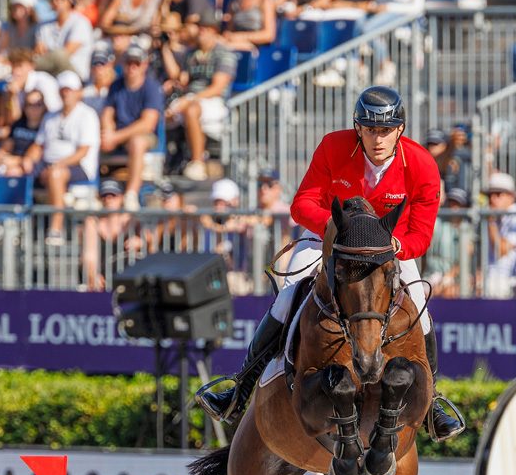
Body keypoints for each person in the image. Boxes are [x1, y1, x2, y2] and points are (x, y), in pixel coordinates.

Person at [196, 86, 465, 441]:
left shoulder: (421, 164)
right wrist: (339, 231)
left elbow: (421, 235)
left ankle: (432, 403)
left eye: (385, 130)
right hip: (331, 240)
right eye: (370, 130)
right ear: (358, 128)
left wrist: (389, 245)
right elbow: (302, 204)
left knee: (421, 311)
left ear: (400, 129)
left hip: (387, 252)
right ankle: (241, 386)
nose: (377, 138)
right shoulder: (333, 147)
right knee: (287, 294)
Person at [28, 70, 101, 244]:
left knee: (56, 174)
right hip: (49, 163)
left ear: (77, 92)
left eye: (69, 89)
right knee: (15, 172)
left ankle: (56, 228)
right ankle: (13, 226)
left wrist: (58, 165)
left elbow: (83, 152)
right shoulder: (50, 116)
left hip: (78, 167)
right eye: (63, 90)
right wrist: (26, 161)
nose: (66, 93)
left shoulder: (87, 115)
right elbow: (38, 146)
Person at [165, 16, 236, 181]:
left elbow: (217, 88)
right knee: (163, 111)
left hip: (214, 102)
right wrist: (167, 49)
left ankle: (197, 162)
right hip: (191, 97)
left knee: (191, 110)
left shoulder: (223, 53)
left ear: (214, 31)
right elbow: (182, 79)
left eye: (205, 28)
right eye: (200, 28)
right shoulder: (192, 53)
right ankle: (167, 160)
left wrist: (190, 99)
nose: (201, 32)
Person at [101, 43, 164, 209]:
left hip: (143, 136)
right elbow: (107, 113)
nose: (132, 67)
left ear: (144, 64)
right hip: (120, 135)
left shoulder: (152, 87)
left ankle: (131, 194)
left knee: (137, 141)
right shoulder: (116, 85)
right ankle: (91, 192)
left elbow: (147, 124)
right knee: (90, 137)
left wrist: (115, 136)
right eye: (129, 62)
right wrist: (107, 132)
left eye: (136, 62)